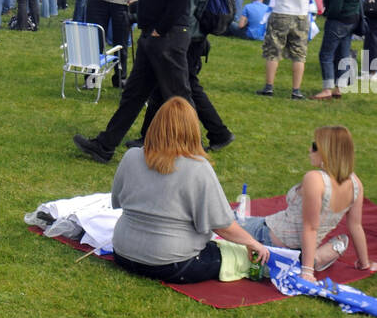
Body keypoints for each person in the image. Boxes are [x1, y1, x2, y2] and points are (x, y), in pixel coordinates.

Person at [73, 0, 193, 164]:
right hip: (153, 37)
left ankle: (192, 151)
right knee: (134, 94)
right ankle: (105, 145)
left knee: (179, 97)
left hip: (166, 37)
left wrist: (159, 30)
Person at [110, 97, 268, 283]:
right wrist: (252, 242)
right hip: (171, 263)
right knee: (240, 255)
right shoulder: (197, 168)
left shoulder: (131, 157)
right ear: (192, 130)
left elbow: (117, 201)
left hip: (123, 253)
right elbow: (222, 224)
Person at [237, 126, 376, 283]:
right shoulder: (355, 183)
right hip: (302, 246)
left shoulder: (315, 179)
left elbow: (310, 227)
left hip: (270, 235)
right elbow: (356, 226)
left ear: (327, 151)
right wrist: (364, 263)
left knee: (226, 221)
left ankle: (299, 261)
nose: (310, 149)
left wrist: (307, 272)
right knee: (342, 239)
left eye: (315, 146)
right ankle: (311, 257)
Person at [139, 0, 234, 152]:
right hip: (191, 36)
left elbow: (184, 10)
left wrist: (164, 29)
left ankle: (215, 133)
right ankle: (148, 136)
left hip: (188, 38)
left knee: (186, 89)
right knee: (163, 87)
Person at [313, 0, 364, 100]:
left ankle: (327, 88)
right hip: (352, 21)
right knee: (343, 54)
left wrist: (326, 14)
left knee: (326, 54)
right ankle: (339, 87)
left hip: (338, 21)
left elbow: (336, 5)